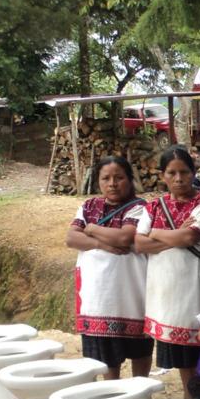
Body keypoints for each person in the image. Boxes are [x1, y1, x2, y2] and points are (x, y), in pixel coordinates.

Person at [133, 147, 200, 398]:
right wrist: (171, 238)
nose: (178, 179)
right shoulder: (153, 207)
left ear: (194, 173)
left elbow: (189, 236)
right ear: (162, 175)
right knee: (184, 362)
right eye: (171, 173)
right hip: (167, 298)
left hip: (197, 292)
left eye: (184, 172)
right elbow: (139, 244)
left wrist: (154, 233)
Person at [65, 156, 153, 380]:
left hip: (131, 292)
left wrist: (92, 228)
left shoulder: (140, 208)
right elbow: (71, 238)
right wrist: (100, 243)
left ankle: (140, 392)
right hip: (98, 298)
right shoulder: (89, 206)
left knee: (139, 350)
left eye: (119, 178)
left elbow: (125, 237)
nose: (112, 183)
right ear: (98, 182)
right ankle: (112, 395)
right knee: (106, 359)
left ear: (129, 180)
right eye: (106, 178)